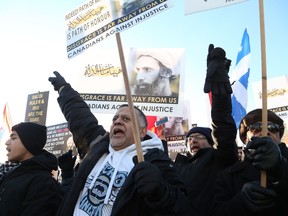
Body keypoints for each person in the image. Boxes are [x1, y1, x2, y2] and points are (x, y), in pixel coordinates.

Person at [48, 71, 191, 216]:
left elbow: (183, 207)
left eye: (126, 119)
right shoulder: (97, 144)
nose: (117, 121)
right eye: (115, 118)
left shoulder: (156, 162)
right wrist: (64, 89)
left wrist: (161, 192)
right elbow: (79, 116)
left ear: (142, 132)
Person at [174, 45, 238, 216]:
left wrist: (220, 97)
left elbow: (223, 127)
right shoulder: (176, 167)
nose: (193, 140)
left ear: (211, 142)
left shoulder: (219, 158)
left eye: (198, 137)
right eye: (189, 138)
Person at [210, 109, 288, 216]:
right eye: (255, 128)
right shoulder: (228, 176)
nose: (265, 131)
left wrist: (282, 171)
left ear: (279, 136)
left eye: (272, 127)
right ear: (245, 139)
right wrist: (240, 203)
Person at [0, 122, 62, 216]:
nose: (7, 142)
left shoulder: (42, 182)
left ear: (29, 142)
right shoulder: (14, 173)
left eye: (13, 138)